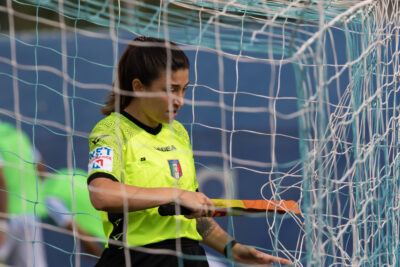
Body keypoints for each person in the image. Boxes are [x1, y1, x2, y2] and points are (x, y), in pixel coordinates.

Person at [87, 36, 292, 266]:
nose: (180, 101)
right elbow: (102, 194)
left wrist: (232, 249)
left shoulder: (179, 133)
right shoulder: (111, 129)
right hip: (137, 257)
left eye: (184, 89)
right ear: (139, 87)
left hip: (189, 256)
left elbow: (193, 217)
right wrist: (175, 194)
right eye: (171, 89)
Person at [0, 122, 48, 267]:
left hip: (5, 217)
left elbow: (1, 182)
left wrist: (2, 221)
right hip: (30, 213)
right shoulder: (19, 136)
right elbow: (41, 167)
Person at [41, 168, 104, 258]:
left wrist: (94, 250)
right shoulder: (64, 174)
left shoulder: (48, 198)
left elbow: (71, 225)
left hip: (110, 236)